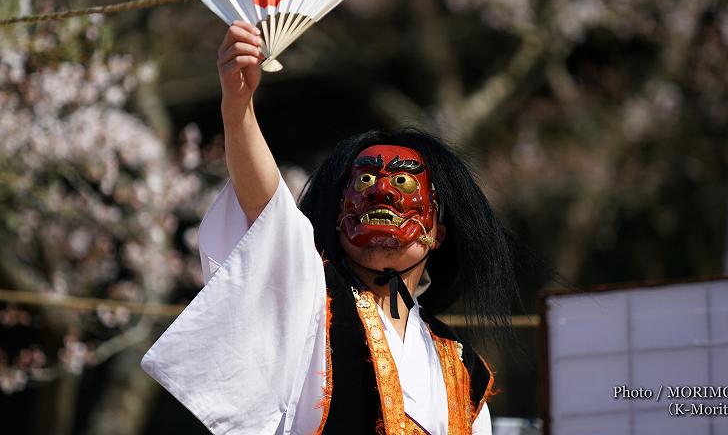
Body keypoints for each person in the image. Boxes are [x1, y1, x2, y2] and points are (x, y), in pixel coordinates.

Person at [142, 22, 527, 434]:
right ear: (339, 214)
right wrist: (238, 110)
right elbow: (268, 211)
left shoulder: (465, 373)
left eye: (402, 183)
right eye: (364, 181)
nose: (382, 195)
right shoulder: (312, 298)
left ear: (438, 231)